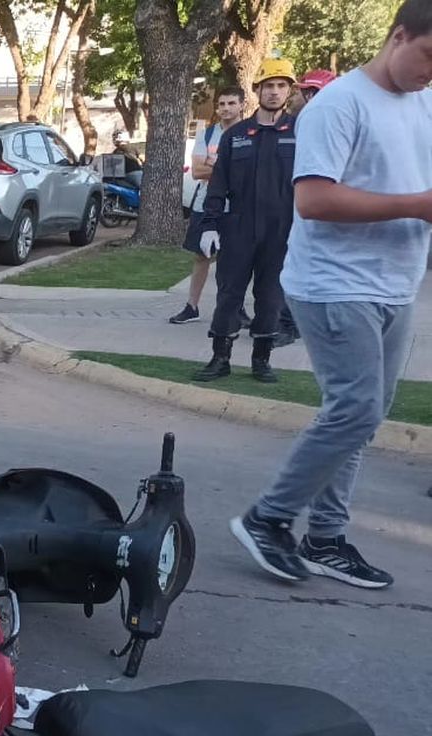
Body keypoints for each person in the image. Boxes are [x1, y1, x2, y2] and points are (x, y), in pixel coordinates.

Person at [230, 1, 432, 590]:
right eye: (428, 57)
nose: (430, 73)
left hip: (396, 285)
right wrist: (418, 206)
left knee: (360, 419)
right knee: (357, 409)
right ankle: (267, 519)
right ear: (399, 35)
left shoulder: (423, 101)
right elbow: (314, 200)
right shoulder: (339, 104)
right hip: (334, 284)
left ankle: (325, 538)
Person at [191, 59, 299, 384]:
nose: (275, 92)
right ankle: (219, 358)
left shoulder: (300, 132)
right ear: (257, 91)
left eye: (281, 86)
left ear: (289, 91)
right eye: (269, 86)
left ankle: (261, 360)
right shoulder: (236, 135)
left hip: (281, 229)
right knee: (229, 294)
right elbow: (219, 183)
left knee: (270, 296)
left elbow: (310, 183)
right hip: (238, 228)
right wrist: (210, 224)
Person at [170, 87, 246, 325]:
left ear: (241, 105)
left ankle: (236, 308)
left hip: (238, 207)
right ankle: (192, 307)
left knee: (234, 260)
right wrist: (228, 169)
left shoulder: (250, 133)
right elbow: (197, 170)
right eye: (222, 104)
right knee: (201, 256)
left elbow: (249, 173)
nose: (226, 108)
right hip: (206, 204)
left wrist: (215, 167)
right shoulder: (207, 134)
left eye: (231, 103)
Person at [275, 69, 338, 347]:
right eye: (305, 92)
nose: (302, 97)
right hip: (289, 206)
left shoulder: (332, 126)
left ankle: (293, 324)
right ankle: (288, 322)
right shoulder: (292, 125)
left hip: (316, 212)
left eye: (308, 92)